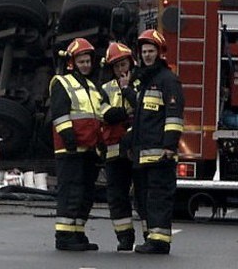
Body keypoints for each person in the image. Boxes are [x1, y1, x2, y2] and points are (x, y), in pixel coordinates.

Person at [49, 38, 124, 251]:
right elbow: (60, 115)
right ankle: (64, 236)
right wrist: (70, 140)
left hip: (88, 150)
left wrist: (124, 111)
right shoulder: (62, 83)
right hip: (69, 150)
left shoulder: (92, 87)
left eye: (88, 61)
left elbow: (101, 114)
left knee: (84, 194)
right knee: (70, 192)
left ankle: (77, 233)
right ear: (72, 62)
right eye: (81, 61)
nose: (86, 65)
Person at [125, 29, 184, 255]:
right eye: (144, 52)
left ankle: (159, 241)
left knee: (158, 197)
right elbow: (140, 119)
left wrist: (170, 146)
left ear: (160, 53)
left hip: (160, 153)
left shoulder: (168, 80)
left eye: (151, 51)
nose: (147, 55)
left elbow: (174, 115)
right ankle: (150, 236)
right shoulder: (145, 81)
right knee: (142, 198)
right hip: (142, 153)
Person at [100, 42, 138, 251]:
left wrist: (128, 91)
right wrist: (127, 115)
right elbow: (106, 114)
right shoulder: (105, 89)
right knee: (117, 197)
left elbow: (144, 110)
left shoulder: (141, 84)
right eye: (116, 67)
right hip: (115, 153)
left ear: (130, 64)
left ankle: (152, 236)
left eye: (123, 64)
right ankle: (124, 237)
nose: (121, 70)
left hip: (138, 152)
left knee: (144, 195)